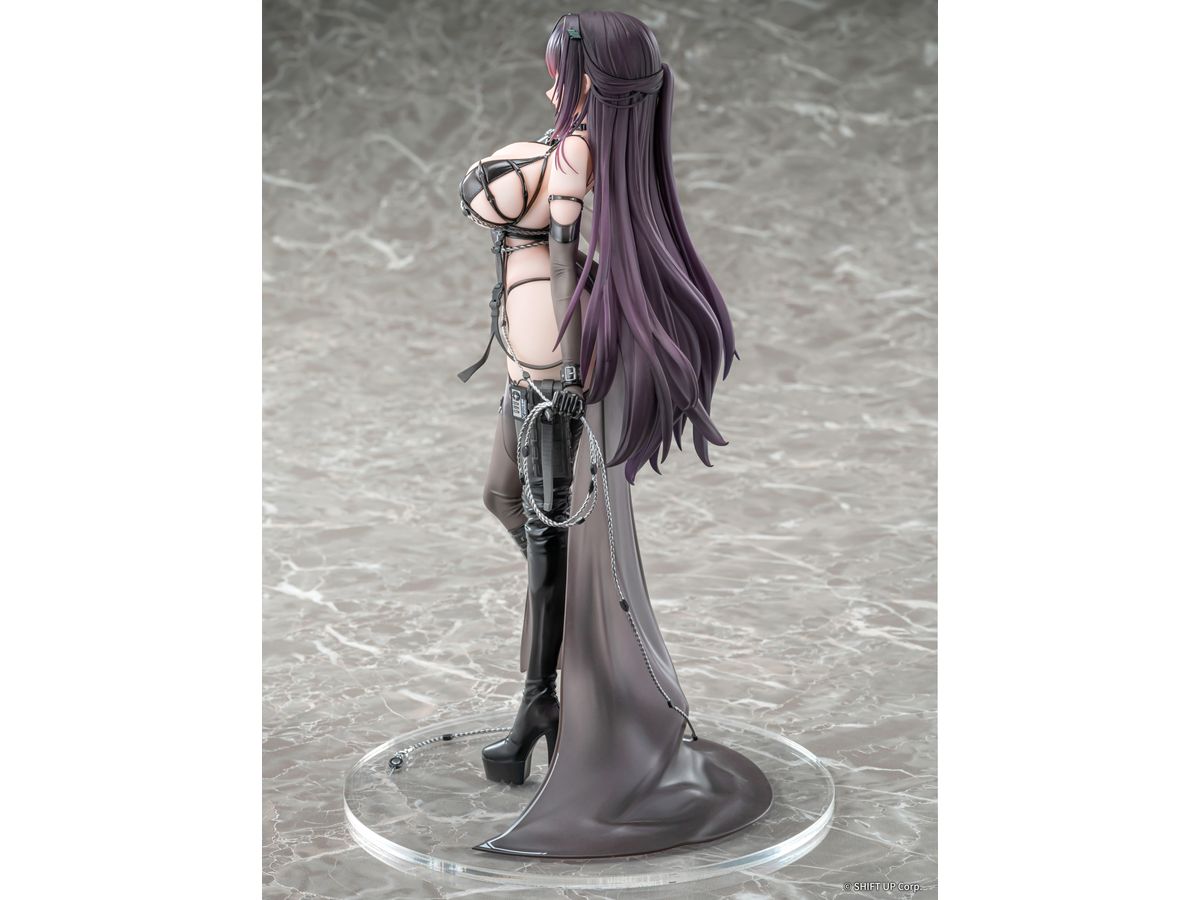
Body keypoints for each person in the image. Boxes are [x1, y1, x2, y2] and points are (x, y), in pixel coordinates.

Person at [457, 10, 772, 858]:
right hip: (527, 372)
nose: (551, 81)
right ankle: (549, 684)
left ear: (590, 78)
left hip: (552, 380)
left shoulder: (573, 152)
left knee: (545, 542)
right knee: (507, 506)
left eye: (562, 69)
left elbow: (558, 255)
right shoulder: (563, 143)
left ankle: (539, 702)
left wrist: (566, 369)